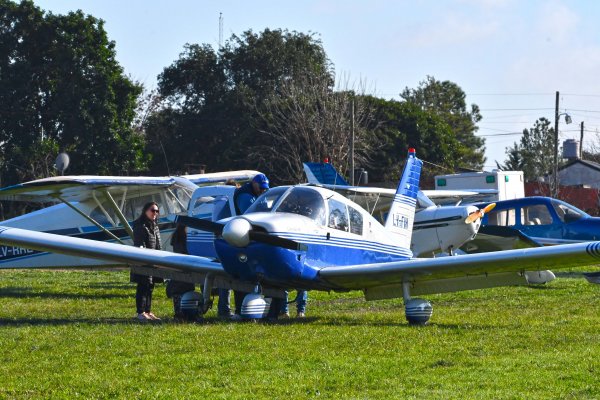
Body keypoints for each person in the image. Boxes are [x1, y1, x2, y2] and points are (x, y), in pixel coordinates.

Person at [131, 201, 162, 322]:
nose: (155, 213)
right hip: (143, 262)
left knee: (150, 287)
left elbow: (157, 245)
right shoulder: (140, 226)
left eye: (157, 211)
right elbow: (140, 245)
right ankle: (140, 312)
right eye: (152, 210)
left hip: (153, 261)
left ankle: (148, 311)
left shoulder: (154, 225)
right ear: (145, 211)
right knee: (143, 286)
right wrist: (145, 259)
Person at [166, 224, 196, 321]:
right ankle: (180, 314)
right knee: (180, 291)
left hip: (181, 270)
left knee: (180, 292)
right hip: (183, 270)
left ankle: (182, 314)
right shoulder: (182, 241)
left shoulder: (177, 239)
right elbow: (184, 253)